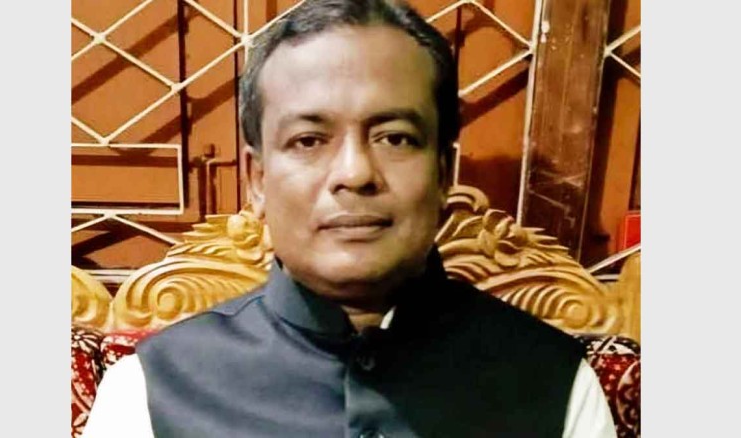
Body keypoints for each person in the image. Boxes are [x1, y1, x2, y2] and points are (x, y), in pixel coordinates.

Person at [83, 0, 616, 436]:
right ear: (258, 180)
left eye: (395, 138)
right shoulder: (151, 392)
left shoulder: (554, 384)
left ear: (443, 173)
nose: (355, 173)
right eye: (308, 140)